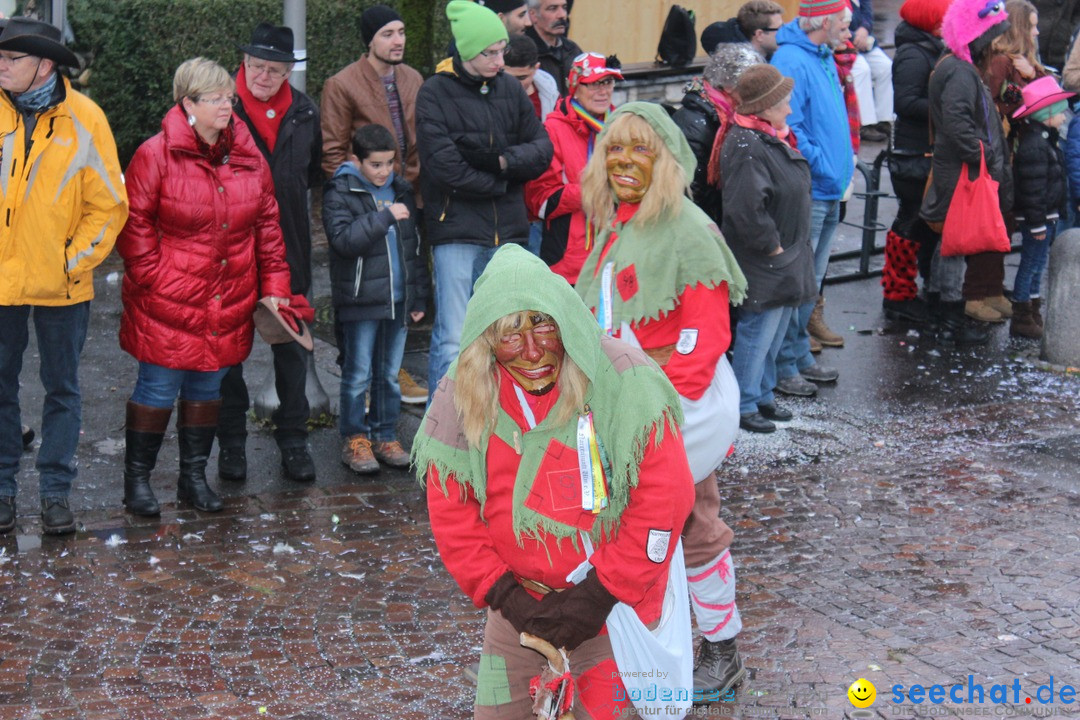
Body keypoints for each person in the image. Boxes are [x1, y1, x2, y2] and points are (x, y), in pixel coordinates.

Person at [418, 244, 695, 719]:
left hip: (613, 616)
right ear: (486, 341)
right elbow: (452, 511)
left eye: (543, 325)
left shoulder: (626, 381)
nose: (532, 351)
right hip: (516, 618)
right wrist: (505, 596)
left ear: (564, 315)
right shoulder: (461, 390)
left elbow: (664, 500)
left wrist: (600, 594)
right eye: (510, 336)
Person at [575, 102, 749, 698]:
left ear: (667, 161)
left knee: (691, 521)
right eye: (614, 149)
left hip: (677, 408)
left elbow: (704, 339)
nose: (623, 161)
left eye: (639, 149)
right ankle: (634, 650)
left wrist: (659, 410)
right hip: (624, 405)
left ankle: (719, 652)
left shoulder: (689, 232)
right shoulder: (618, 225)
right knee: (630, 525)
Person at [119, 57, 292, 516]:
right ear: (187, 104)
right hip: (168, 300)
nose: (226, 105)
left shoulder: (248, 156)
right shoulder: (154, 154)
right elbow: (133, 226)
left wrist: (274, 286)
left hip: (228, 295)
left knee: (207, 390)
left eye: (228, 97)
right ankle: (137, 483)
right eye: (214, 98)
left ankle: (193, 478)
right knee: (157, 389)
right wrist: (156, 279)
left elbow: (268, 228)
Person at [0, 17, 128, 535]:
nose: (1, 65)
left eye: (12, 58)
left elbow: (110, 207)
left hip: (62, 286)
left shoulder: (86, 119)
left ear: (45, 65)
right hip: (1, 284)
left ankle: (55, 491)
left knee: (63, 389)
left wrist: (69, 261)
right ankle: (3, 489)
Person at [418, 0, 553, 401]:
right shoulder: (434, 94)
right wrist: (505, 180)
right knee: (453, 338)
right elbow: (446, 169)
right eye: (489, 53)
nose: (500, 60)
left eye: (501, 51)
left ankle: (495, 426)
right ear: (465, 51)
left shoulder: (510, 89)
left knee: (506, 333)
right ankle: (442, 434)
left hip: (507, 234)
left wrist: (499, 160)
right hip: (457, 230)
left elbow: (541, 149)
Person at [216, 22, 322, 484]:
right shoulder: (221, 108)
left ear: (287, 73)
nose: (262, 75)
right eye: (256, 65)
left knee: (292, 354)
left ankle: (294, 442)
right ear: (244, 63)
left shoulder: (305, 112)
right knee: (227, 355)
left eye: (274, 69)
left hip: (290, 249)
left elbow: (312, 174)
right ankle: (232, 445)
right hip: (231, 250)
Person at [320, 4, 428, 404]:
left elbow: (422, 140)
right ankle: (358, 381)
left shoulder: (414, 78)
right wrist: (358, 201)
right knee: (364, 293)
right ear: (370, 39)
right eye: (387, 33)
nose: (398, 40)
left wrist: (412, 190)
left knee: (400, 290)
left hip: (407, 197)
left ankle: (391, 372)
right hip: (364, 205)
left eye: (401, 32)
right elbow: (332, 154)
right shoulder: (342, 84)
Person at [323, 125, 430, 474]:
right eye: (375, 165)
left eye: (389, 163)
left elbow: (412, 250)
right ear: (357, 160)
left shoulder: (400, 190)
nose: (384, 171)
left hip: (397, 300)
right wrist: (383, 217)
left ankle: (385, 435)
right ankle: (355, 439)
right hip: (360, 300)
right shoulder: (341, 191)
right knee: (357, 374)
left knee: (387, 373)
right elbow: (343, 241)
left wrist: (417, 297)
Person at [722, 65, 817, 433]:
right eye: (784, 104)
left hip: (783, 255)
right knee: (757, 331)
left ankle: (762, 394)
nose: (790, 111)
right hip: (767, 259)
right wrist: (773, 247)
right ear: (764, 106)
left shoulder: (762, 137)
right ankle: (744, 404)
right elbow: (746, 209)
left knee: (773, 332)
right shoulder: (746, 143)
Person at [771, 0, 855, 397]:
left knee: (810, 284)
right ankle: (786, 364)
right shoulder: (793, 59)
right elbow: (793, 126)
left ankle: (799, 356)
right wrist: (822, 167)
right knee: (799, 282)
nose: (848, 30)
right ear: (824, 21)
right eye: (844, 21)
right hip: (815, 188)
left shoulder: (820, 55)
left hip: (829, 187)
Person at [920, 0, 1011, 345]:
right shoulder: (960, 70)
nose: (997, 45)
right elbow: (959, 125)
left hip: (961, 167)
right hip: (962, 171)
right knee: (954, 242)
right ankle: (949, 314)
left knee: (952, 239)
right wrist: (982, 154)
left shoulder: (960, 66)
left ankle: (944, 309)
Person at [966, 0, 1045, 324]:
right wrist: (1028, 85)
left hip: (1014, 156)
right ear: (1018, 28)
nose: (1037, 31)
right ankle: (976, 293)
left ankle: (994, 289)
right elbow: (992, 109)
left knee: (1006, 223)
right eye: (1033, 25)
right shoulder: (999, 62)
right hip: (1001, 154)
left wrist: (1034, 73)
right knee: (991, 222)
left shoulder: (1023, 63)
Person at [524, 52, 622, 284]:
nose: (603, 91)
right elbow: (540, 201)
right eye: (594, 84)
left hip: (618, 257)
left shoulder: (622, 126)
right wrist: (594, 190)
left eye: (607, 82)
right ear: (575, 86)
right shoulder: (552, 130)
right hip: (569, 264)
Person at [882, 0, 952, 324]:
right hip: (913, 153)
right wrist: (947, 108)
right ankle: (898, 295)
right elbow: (906, 102)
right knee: (910, 222)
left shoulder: (929, 46)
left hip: (925, 150)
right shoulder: (913, 53)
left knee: (922, 224)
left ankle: (917, 289)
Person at [672, 43, 763, 225]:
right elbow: (690, 190)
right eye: (752, 84)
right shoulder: (695, 123)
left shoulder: (730, 114)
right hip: (703, 226)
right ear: (729, 86)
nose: (757, 92)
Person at [1008, 78, 1072, 338]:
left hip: (1045, 216)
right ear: (1047, 115)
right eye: (1060, 112)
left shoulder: (1044, 140)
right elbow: (1033, 190)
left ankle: (1032, 309)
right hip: (1038, 218)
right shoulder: (1035, 145)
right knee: (1031, 263)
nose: (1064, 118)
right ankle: (1022, 314)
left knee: (1038, 263)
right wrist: (1036, 223)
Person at [849, 0, 895, 143]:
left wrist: (864, 29)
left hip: (865, 40)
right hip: (843, 41)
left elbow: (867, 13)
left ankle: (884, 119)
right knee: (862, 70)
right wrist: (853, 36)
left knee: (886, 67)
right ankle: (865, 123)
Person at [526, 0, 583, 95]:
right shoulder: (525, 54)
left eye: (564, 7)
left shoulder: (572, 50)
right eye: (552, 9)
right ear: (533, 15)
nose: (562, 15)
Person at [700, 0, 785, 59]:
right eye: (779, 28)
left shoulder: (774, 57)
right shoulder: (738, 72)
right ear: (759, 35)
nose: (785, 32)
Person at [503, 33, 558, 122]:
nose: (514, 84)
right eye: (508, 77)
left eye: (521, 77)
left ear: (536, 68)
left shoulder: (551, 95)